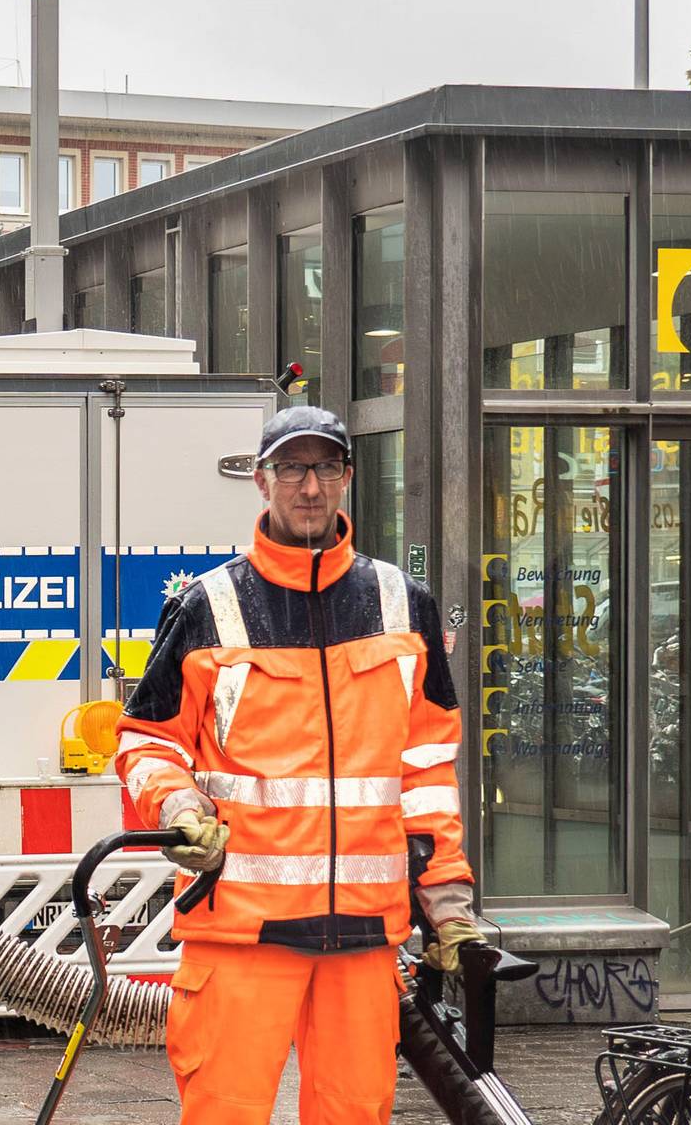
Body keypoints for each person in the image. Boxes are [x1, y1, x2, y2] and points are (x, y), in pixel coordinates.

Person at [111, 406, 481, 1125]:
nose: (308, 487)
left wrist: (449, 908)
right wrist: (179, 810)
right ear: (261, 481)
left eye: (324, 468)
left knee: (356, 1116)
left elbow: (428, 772)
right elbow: (146, 743)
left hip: (363, 941)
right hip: (242, 933)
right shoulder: (206, 608)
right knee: (223, 1115)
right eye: (290, 468)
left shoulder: (405, 608)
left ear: (347, 478)